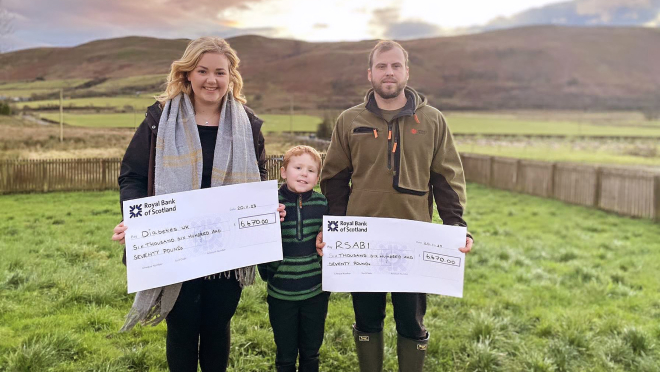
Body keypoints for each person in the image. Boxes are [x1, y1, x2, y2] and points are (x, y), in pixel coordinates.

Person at [110, 36, 285, 372]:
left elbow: (259, 176)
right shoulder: (160, 119)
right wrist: (136, 220)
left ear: (231, 76)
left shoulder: (247, 123)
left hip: (227, 250)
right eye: (202, 70)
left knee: (218, 327)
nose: (211, 79)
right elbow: (131, 176)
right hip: (177, 247)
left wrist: (266, 208)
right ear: (187, 73)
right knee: (182, 329)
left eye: (220, 72)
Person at [318, 40, 473, 372]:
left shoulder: (432, 121)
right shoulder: (349, 120)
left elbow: (447, 178)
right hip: (363, 241)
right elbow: (333, 180)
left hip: (414, 240)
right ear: (370, 73)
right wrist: (332, 229)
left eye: (396, 66)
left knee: (411, 322)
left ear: (406, 71)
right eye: (382, 66)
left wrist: (456, 228)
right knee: (367, 320)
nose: (389, 73)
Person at [258, 145, 329, 372]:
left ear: (317, 177)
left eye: (311, 170)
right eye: (298, 167)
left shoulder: (323, 204)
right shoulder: (269, 204)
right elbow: (259, 243)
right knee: (285, 355)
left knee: (311, 353)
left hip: (315, 292)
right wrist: (270, 273)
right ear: (283, 171)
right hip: (281, 294)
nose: (304, 174)